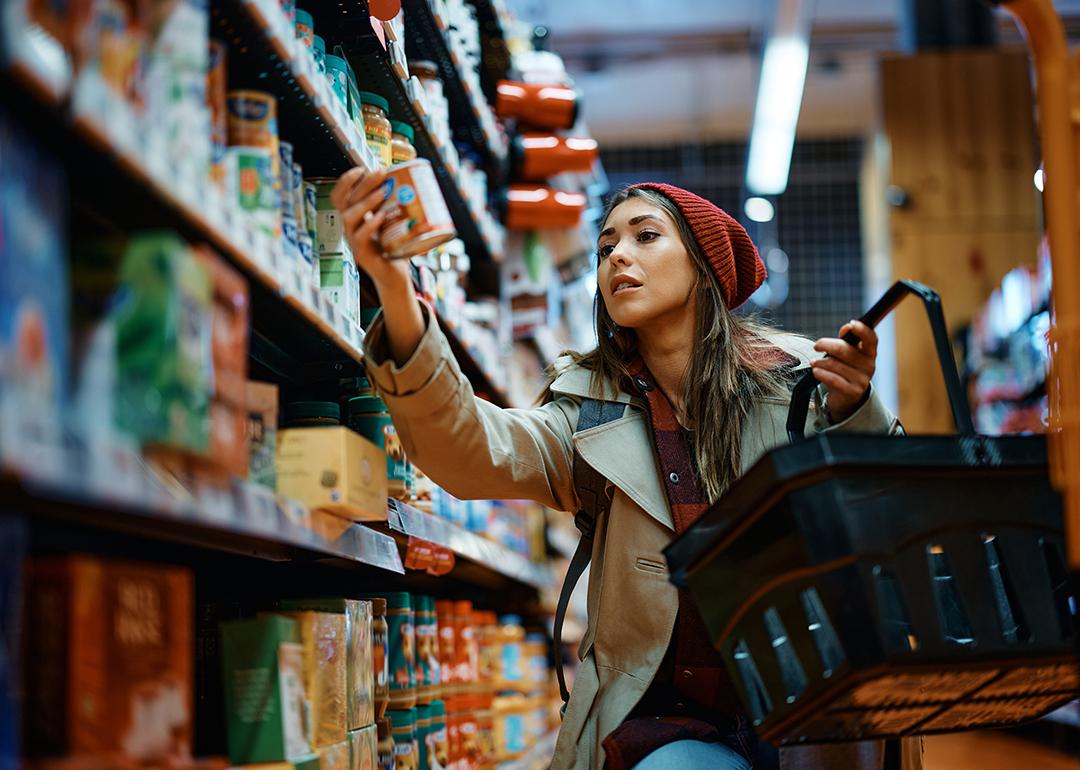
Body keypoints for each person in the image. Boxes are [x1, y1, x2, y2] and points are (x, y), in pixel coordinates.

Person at [332, 169, 920, 770]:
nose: (617, 256)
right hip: (673, 720)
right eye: (606, 247)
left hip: (813, 700)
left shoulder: (802, 382)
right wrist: (396, 289)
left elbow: (893, 513)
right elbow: (469, 448)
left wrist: (856, 412)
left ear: (702, 265)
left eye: (645, 236)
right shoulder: (589, 411)